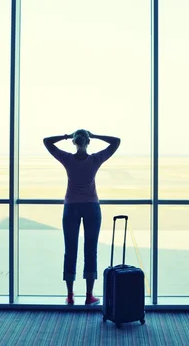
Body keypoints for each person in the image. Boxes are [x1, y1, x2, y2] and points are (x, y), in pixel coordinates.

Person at [43, 129, 121, 305]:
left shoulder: (68, 159)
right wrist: (96, 135)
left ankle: (70, 295)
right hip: (91, 208)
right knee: (90, 250)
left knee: (70, 251)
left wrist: (64, 136)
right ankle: (88, 295)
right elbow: (116, 141)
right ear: (88, 142)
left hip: (71, 208)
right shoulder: (94, 160)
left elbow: (47, 141)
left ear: (74, 142)